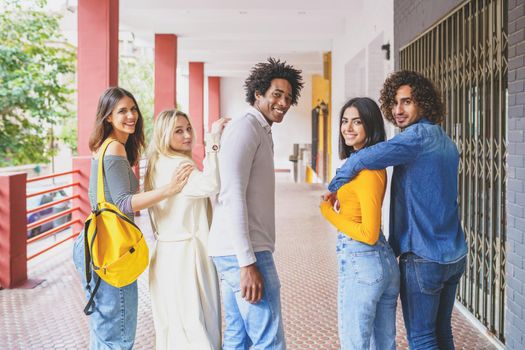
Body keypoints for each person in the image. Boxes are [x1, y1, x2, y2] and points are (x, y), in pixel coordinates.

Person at [328, 71, 467, 349]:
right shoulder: (446, 142)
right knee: (443, 333)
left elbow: (368, 155)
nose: (398, 110)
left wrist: (334, 184)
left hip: (424, 256)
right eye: (394, 103)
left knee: (423, 338)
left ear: (424, 104)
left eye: (407, 102)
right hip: (454, 255)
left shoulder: (415, 139)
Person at [72, 87, 193, 349]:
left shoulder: (104, 146)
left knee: (105, 332)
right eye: (122, 111)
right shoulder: (114, 147)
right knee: (118, 334)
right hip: (109, 249)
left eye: (133, 109)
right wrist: (169, 189)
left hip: (95, 243)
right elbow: (124, 202)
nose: (131, 116)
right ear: (107, 117)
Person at [208, 58, 303, 349]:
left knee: (239, 338)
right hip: (245, 252)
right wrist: (247, 262)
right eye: (276, 94)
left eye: (288, 97)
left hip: (235, 250)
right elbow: (230, 194)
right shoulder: (246, 128)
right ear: (258, 94)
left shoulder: (259, 129)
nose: (283, 102)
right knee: (269, 341)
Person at [144, 110, 230, 350]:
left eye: (188, 128)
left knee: (172, 325)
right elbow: (211, 184)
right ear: (164, 134)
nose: (187, 135)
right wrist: (213, 139)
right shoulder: (179, 164)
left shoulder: (155, 163)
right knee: (197, 323)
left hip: (164, 253)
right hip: (187, 254)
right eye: (178, 131)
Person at [320, 97, 400, 349]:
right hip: (381, 263)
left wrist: (327, 211)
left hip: (363, 262)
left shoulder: (367, 171)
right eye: (345, 121)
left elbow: (368, 232)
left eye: (357, 122)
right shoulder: (365, 165)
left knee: (355, 344)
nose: (348, 128)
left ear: (371, 126)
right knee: (383, 344)